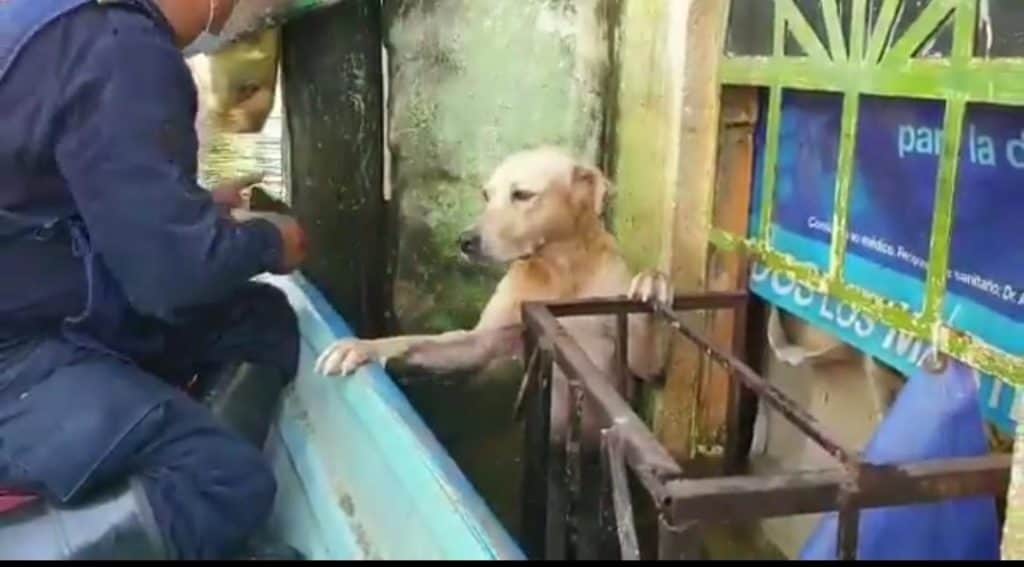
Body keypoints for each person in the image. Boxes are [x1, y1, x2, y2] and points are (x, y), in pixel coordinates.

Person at [0, 0, 309, 560]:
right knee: (220, 481)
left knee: (256, 321)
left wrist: (186, 212)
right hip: (15, 356)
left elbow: (48, 193)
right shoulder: (116, 45)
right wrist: (272, 241)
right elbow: (171, 282)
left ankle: (177, 520)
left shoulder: (58, 24)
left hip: (38, 302)